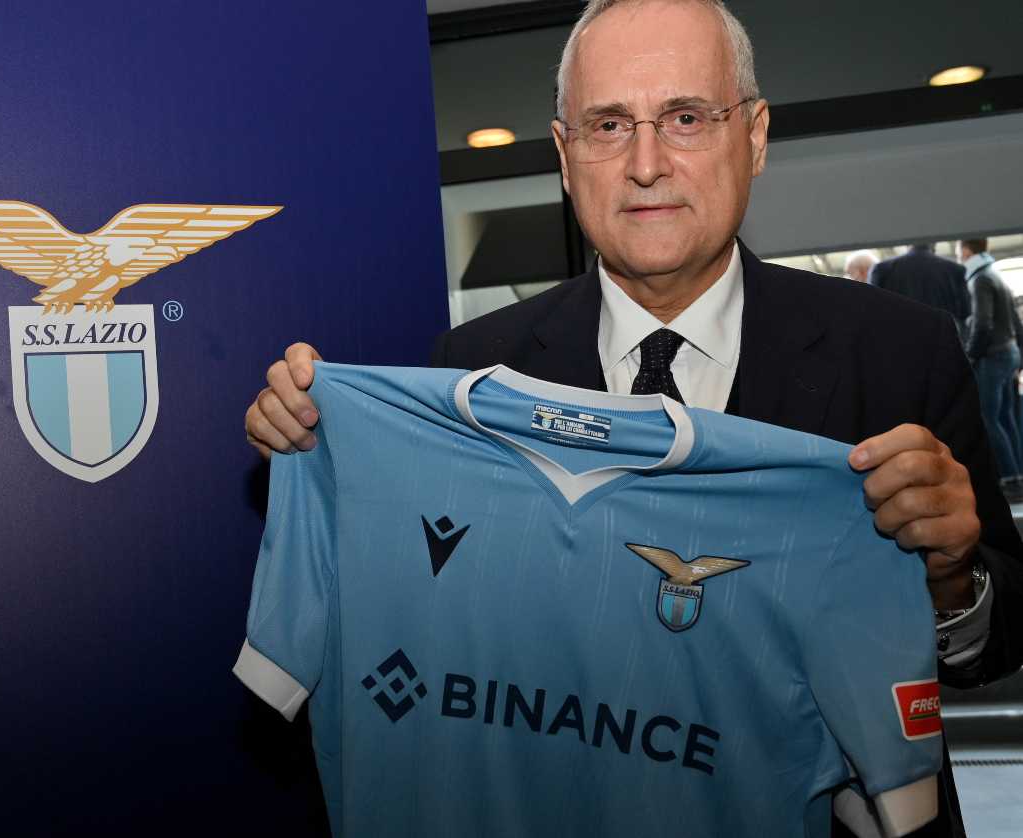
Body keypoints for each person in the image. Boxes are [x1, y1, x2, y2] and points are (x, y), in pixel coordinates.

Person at [244, 0, 1022, 833]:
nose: (646, 164)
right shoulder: (468, 366)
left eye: (686, 118)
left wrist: (951, 578)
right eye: (609, 125)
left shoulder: (899, 351)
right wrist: (321, 451)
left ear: (754, 135)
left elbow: (996, 646)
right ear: (564, 155)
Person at [961, 236, 1023, 499]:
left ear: (965, 250)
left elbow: (983, 324)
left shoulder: (980, 279)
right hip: (1009, 352)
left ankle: (1009, 479)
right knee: (1007, 418)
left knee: (989, 418)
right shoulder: (994, 273)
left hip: (992, 356)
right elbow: (1016, 322)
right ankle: (1018, 475)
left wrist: (970, 356)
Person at [869, 243, 971, 339]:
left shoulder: (883, 269)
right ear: (934, 244)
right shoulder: (955, 270)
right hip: (940, 340)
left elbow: (873, 313)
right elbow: (965, 311)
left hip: (898, 340)